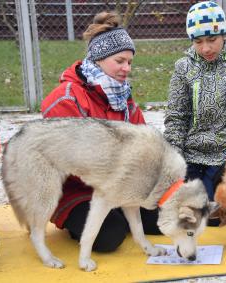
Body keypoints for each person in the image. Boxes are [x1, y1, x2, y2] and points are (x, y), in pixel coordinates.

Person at [41, 11, 161, 253]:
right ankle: (75, 221)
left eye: (130, 62)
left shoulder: (122, 97)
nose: (126, 68)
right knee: (110, 236)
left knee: (159, 219)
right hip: (75, 190)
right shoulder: (67, 99)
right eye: (120, 61)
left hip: (117, 185)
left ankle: (118, 211)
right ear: (98, 59)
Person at [163, 1, 226, 217]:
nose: (205, 48)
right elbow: (176, 118)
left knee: (217, 211)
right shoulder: (183, 67)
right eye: (198, 41)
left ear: (224, 34)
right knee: (176, 206)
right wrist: (173, 160)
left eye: (212, 39)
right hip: (192, 154)